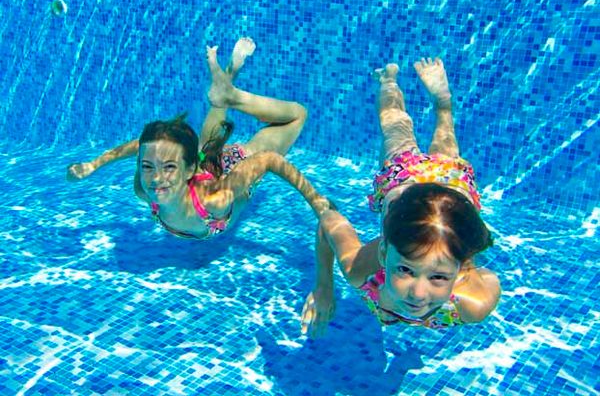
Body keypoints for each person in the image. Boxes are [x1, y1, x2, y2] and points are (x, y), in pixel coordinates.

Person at [301, 58, 500, 337]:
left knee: (433, 141)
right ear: (383, 253)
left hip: (436, 187)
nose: (418, 293)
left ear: (459, 272)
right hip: (418, 178)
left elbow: (489, 278)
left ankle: (442, 104)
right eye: (405, 269)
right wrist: (324, 287)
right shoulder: (361, 269)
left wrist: (464, 263)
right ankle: (388, 79)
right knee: (394, 126)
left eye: (439, 276)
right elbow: (327, 223)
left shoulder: (474, 304)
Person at [67, 38, 329, 239]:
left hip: (233, 168)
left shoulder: (216, 200)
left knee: (298, 116)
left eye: (168, 167)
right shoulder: (145, 190)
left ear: (187, 168)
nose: (156, 178)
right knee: (208, 142)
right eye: (148, 167)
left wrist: (316, 201)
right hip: (204, 162)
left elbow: (269, 160)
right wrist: (93, 165)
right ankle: (228, 81)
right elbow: (142, 147)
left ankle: (233, 94)